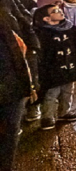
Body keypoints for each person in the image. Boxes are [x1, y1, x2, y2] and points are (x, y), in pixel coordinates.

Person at [34, 3, 76, 130]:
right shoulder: (42, 33)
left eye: (59, 9)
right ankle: (47, 117)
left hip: (70, 66)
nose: (60, 11)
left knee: (67, 91)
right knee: (51, 93)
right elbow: (41, 54)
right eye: (55, 11)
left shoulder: (71, 28)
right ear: (47, 18)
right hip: (52, 71)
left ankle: (64, 112)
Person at [0, 10, 33, 171]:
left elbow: (19, 51)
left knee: (10, 133)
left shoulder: (4, 19)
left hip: (12, 87)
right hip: (12, 86)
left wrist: (28, 84)